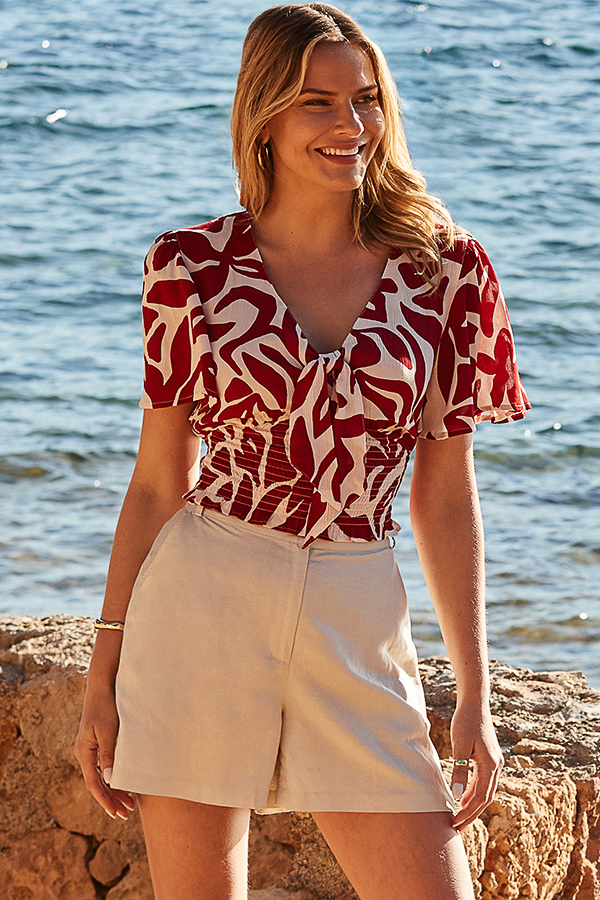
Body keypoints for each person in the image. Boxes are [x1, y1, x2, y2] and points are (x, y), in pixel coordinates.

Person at [74, 4, 530, 899]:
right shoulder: (190, 268)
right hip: (202, 606)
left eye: (365, 100)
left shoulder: (445, 273)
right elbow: (159, 481)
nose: (350, 126)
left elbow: (445, 496)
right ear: (265, 115)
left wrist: (474, 692)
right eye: (318, 102)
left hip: (357, 605)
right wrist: (104, 669)